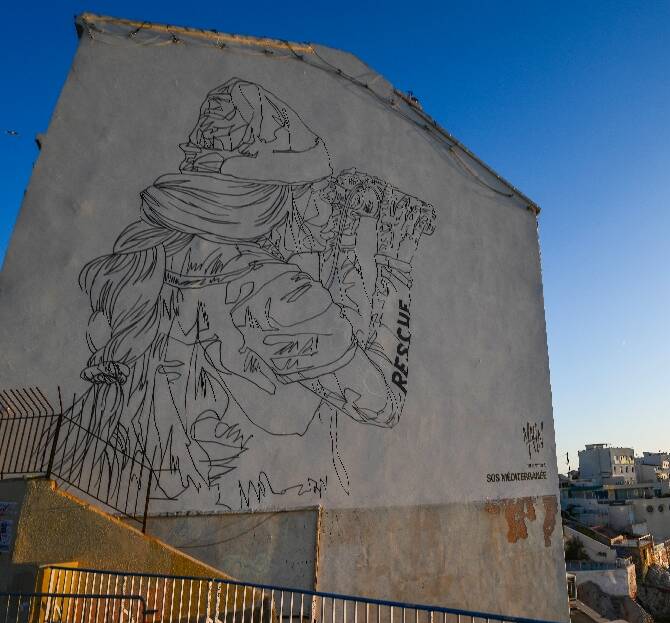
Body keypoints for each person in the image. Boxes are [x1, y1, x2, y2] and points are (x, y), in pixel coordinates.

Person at [73, 78, 435, 505]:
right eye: (314, 192)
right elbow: (383, 403)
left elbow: (324, 333)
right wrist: (394, 264)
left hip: (128, 493)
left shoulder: (154, 246)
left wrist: (339, 252)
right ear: (272, 196)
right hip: (234, 507)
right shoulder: (270, 291)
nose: (326, 209)